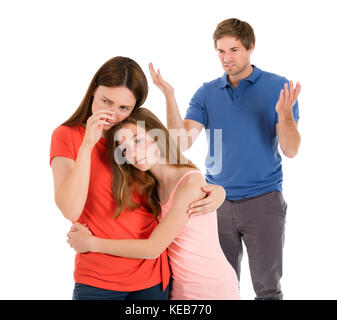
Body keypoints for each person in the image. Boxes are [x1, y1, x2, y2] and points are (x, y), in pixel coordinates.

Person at [148, 18, 301, 300]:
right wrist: (169, 96)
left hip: (263, 200)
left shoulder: (278, 88)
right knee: (221, 286)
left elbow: (291, 150)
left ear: (251, 47)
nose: (226, 58)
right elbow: (181, 142)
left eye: (234, 50)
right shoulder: (207, 93)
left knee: (268, 289)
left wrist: (284, 114)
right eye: (220, 51)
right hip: (215, 202)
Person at [50, 56, 227, 300]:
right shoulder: (67, 136)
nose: (112, 114)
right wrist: (87, 145)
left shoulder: (131, 134)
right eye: (106, 101)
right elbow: (71, 210)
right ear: (92, 92)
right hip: (99, 277)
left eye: (124, 108)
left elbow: (174, 162)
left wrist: (217, 191)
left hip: (152, 277)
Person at [67, 107, 240, 300]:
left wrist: (91, 243)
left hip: (211, 286)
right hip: (178, 287)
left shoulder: (189, 183)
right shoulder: (151, 187)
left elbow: (153, 248)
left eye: (138, 140)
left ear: (157, 135)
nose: (132, 152)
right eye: (124, 149)